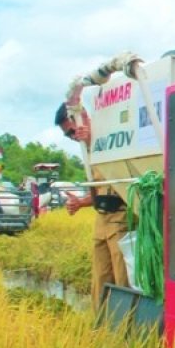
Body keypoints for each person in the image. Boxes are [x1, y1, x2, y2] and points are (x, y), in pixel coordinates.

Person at [55, 104, 130, 310]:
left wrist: (93, 142)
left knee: (122, 278)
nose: (72, 136)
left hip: (121, 217)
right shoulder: (86, 149)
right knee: (101, 279)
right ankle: (100, 328)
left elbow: (122, 182)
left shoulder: (113, 136)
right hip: (102, 219)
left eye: (71, 130)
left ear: (83, 116)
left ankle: (127, 330)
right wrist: (80, 202)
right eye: (68, 134)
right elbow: (102, 190)